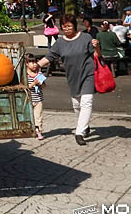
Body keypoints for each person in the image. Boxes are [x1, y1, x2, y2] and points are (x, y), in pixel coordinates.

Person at [38, 15, 99, 146]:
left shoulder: (85, 37)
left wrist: (97, 47)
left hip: (87, 73)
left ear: (75, 26)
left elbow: (96, 54)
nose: (67, 29)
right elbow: (50, 56)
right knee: (77, 105)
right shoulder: (60, 43)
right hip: (72, 77)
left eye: (69, 26)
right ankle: (84, 125)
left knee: (86, 102)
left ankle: (79, 133)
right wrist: (36, 65)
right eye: (64, 27)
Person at [26, 54, 46, 141]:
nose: (34, 64)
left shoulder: (39, 73)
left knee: (38, 116)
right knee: (29, 117)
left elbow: (44, 86)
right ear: (27, 64)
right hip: (29, 99)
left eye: (35, 62)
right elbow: (25, 87)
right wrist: (33, 84)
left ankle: (38, 131)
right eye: (32, 62)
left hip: (38, 99)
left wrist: (41, 84)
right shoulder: (25, 75)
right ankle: (31, 130)